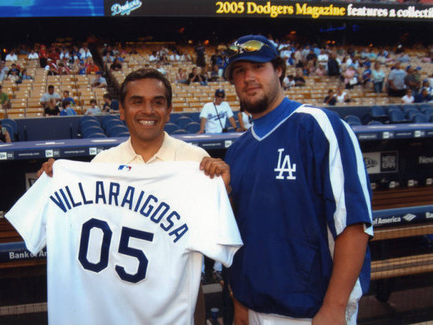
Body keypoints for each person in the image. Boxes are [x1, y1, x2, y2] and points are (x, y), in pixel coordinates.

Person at [36, 68, 238, 325]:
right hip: (114, 302)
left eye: (158, 102)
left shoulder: (196, 161)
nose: (148, 110)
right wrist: (54, 182)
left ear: (169, 110)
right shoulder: (102, 165)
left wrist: (225, 190)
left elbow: (221, 231)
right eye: (137, 101)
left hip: (178, 301)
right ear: (121, 110)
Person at [223, 34, 372, 325]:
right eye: (239, 71)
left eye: (258, 67)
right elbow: (238, 236)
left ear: (279, 70)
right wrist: (239, 299)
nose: (248, 78)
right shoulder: (238, 151)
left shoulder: (319, 126)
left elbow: (353, 223)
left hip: (313, 312)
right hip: (253, 308)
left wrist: (334, 307)